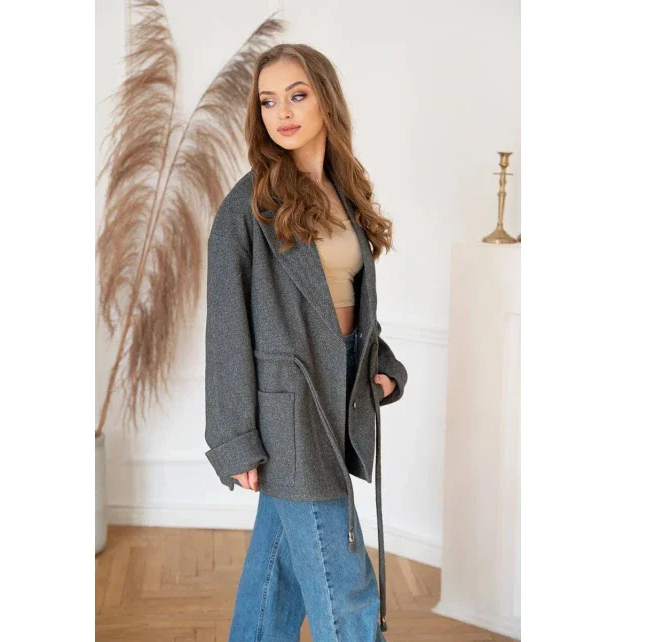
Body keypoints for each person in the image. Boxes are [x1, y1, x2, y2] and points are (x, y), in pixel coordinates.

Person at [204, 43, 408, 641]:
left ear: (326, 100)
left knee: (277, 580)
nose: (283, 112)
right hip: (290, 413)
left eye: (297, 95)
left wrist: (382, 366)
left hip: (341, 390)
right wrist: (235, 439)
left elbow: (350, 306)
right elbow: (226, 331)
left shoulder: (344, 191)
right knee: (347, 591)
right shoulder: (247, 208)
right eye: (268, 101)